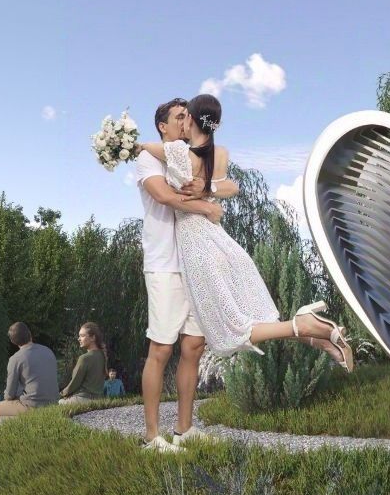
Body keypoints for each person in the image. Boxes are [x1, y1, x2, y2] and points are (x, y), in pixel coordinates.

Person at [135, 94, 355, 370]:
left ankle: (305, 325)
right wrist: (209, 191)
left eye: (184, 116)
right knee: (250, 314)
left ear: (191, 119)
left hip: (196, 246)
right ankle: (319, 338)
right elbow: (232, 187)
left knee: (228, 330)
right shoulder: (220, 154)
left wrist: (134, 145)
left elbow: (150, 157)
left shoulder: (177, 152)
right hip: (219, 240)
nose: (181, 122)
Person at [133, 98, 223, 452]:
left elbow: (222, 183)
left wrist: (209, 191)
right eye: (179, 116)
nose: (186, 121)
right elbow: (163, 195)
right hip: (165, 263)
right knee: (161, 347)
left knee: (194, 345)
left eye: (189, 116)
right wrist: (205, 207)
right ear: (163, 126)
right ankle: (151, 436)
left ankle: (185, 429)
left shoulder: (191, 157)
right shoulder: (148, 157)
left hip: (194, 263)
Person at [0, 322, 59, 418]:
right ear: (29, 334)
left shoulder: (15, 359)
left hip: (33, 406)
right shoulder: (48, 351)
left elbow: (9, 395)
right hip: (53, 403)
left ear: (12, 341)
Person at [59, 322, 108, 404]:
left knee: (59, 402)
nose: (79, 339)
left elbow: (74, 383)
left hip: (83, 399)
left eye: (82, 336)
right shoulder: (102, 355)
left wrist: (61, 394)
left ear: (92, 338)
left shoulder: (85, 358)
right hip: (98, 400)